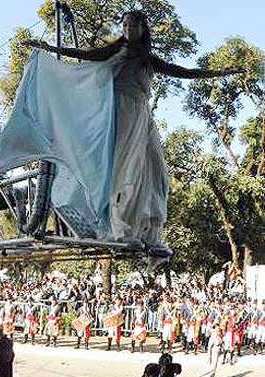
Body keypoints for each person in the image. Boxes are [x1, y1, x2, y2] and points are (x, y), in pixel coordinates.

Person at [23, 11, 242, 254]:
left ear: (142, 27)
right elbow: (83, 56)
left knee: (155, 172)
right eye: (124, 24)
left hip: (142, 115)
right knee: (126, 170)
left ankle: (149, 233)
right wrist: (47, 47)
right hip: (122, 112)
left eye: (132, 24)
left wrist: (218, 73)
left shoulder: (147, 57)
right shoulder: (116, 51)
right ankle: (122, 230)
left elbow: (182, 71)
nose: (127, 28)